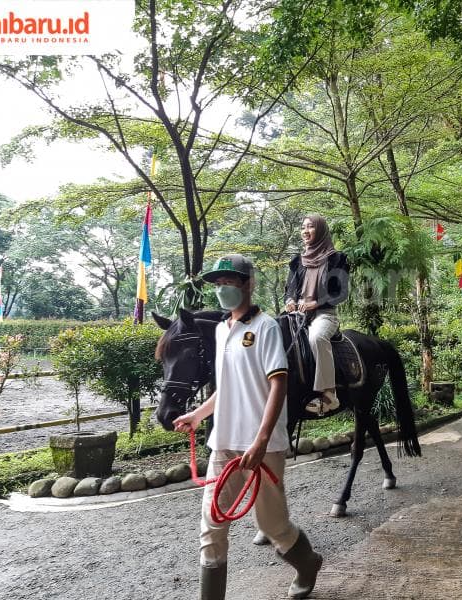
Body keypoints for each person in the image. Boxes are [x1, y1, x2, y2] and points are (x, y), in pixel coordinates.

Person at [173, 254, 323, 600]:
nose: (223, 289)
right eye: (219, 283)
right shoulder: (220, 328)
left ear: (247, 284)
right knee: (211, 527)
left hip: (262, 449)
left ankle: (308, 563)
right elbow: (227, 386)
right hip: (223, 443)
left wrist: (261, 440)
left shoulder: (266, 327)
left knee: (272, 526)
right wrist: (198, 414)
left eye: (230, 282)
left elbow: (278, 384)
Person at [284, 214, 349, 415]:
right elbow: (289, 290)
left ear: (320, 230)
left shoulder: (337, 259)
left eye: (310, 227)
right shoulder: (297, 261)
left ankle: (329, 395)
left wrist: (315, 303)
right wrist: (290, 301)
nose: (305, 231)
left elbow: (341, 293)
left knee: (317, 337)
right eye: (303, 227)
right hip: (297, 315)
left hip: (324, 315)